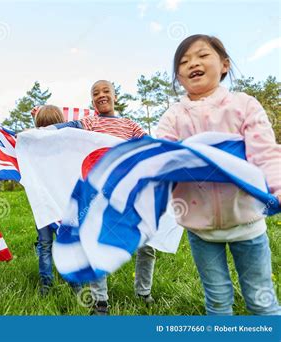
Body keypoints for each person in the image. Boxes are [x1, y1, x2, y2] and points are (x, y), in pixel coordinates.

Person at [156, 34, 281, 315]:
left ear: (224, 65)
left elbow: (265, 153)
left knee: (261, 300)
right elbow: (163, 159)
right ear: (178, 75)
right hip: (201, 229)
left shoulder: (244, 105)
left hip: (247, 221)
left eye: (202, 56)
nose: (193, 64)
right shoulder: (173, 116)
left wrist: (278, 188)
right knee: (217, 300)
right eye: (184, 61)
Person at [52, 80, 157, 315]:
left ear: (115, 97)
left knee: (147, 244)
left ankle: (144, 292)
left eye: (106, 91)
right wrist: (42, 129)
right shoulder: (90, 123)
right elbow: (66, 128)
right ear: (92, 101)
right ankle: (100, 301)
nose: (101, 95)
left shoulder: (129, 125)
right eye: (95, 93)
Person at [31, 105, 82, 296]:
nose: (47, 132)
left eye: (52, 126)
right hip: (43, 206)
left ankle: (75, 286)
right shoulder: (34, 149)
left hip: (62, 206)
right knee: (45, 245)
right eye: (43, 127)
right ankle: (46, 284)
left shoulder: (66, 147)